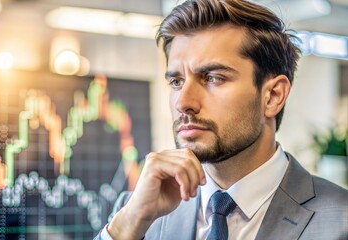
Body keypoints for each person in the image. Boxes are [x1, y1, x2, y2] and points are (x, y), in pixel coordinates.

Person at [95, 0, 347, 239]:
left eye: (213, 78)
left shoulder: (340, 222)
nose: (183, 102)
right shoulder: (134, 213)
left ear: (272, 96)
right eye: (176, 82)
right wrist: (127, 225)